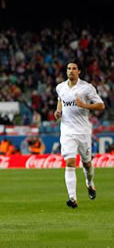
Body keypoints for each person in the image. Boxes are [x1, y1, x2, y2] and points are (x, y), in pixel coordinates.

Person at [54, 61, 105, 209]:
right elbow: (60, 101)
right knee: (70, 162)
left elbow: (101, 105)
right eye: (69, 68)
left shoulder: (86, 88)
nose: (71, 71)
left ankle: (89, 183)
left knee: (87, 163)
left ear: (79, 71)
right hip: (67, 131)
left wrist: (85, 105)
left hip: (83, 131)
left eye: (74, 69)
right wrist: (58, 111)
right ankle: (72, 198)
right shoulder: (60, 87)